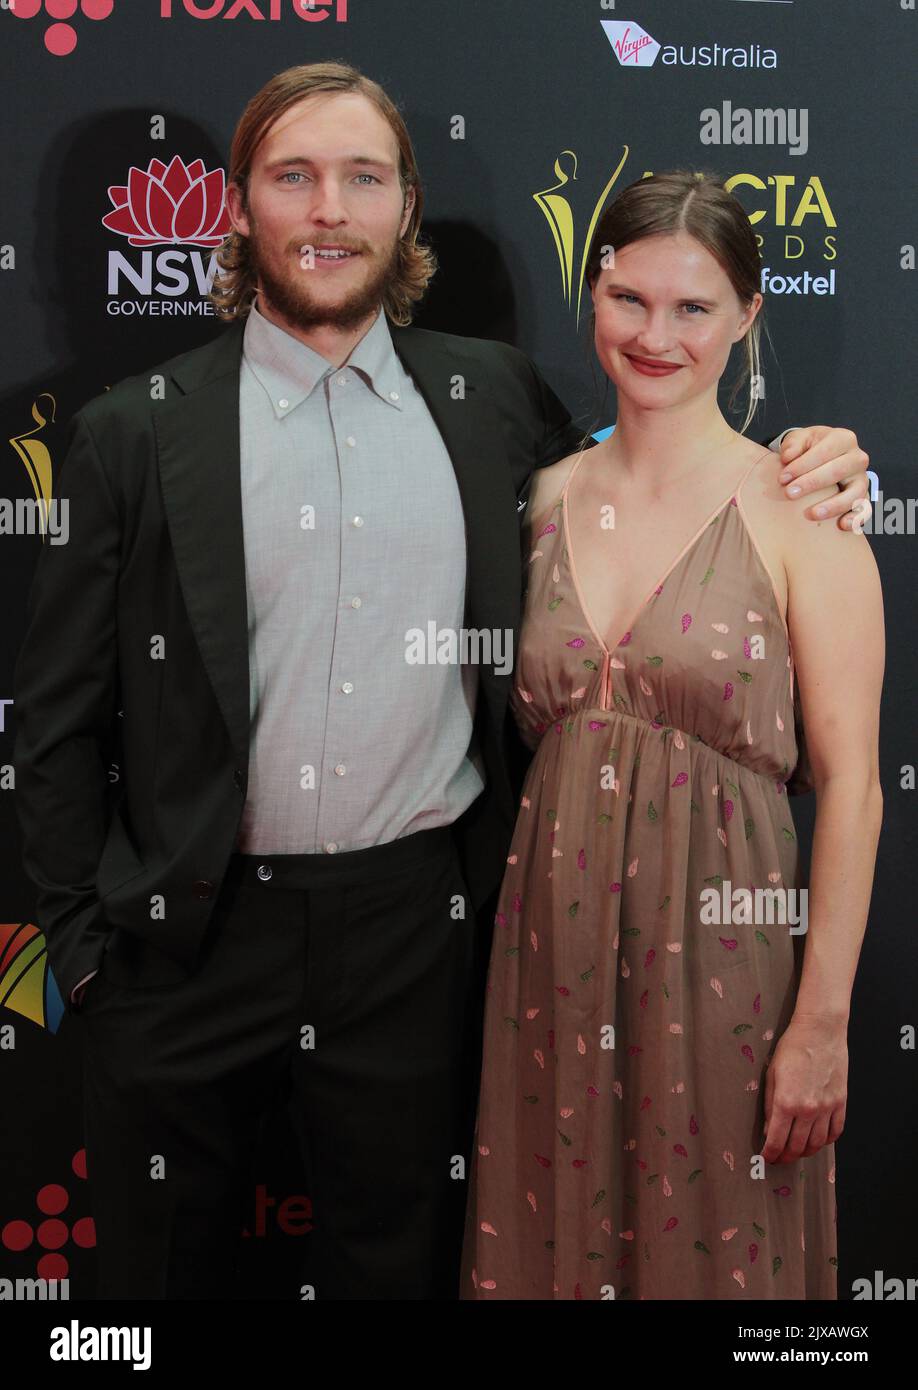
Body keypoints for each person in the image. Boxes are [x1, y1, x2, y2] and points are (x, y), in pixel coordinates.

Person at [12, 64, 870, 1301]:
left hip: (421, 941)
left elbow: (665, 466)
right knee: (149, 1294)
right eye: (294, 175)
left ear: (405, 208)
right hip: (184, 947)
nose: (329, 210)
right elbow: (52, 721)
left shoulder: (492, 403)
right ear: (240, 203)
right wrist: (86, 954)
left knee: (401, 1272)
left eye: (364, 177)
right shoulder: (132, 432)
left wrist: (821, 454)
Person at [460, 170, 884, 1301]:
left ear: (749, 314)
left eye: (693, 307)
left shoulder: (808, 508)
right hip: (547, 973)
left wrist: (824, 1025)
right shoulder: (537, 501)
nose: (655, 335)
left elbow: (852, 788)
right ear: (590, 296)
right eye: (629, 299)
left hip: (729, 983)